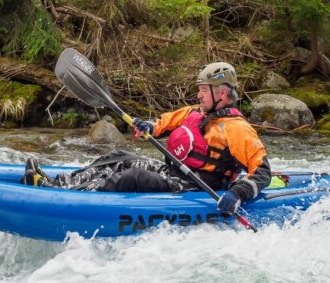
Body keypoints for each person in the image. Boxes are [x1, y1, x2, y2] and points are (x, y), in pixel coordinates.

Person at [22, 62, 271, 215]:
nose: (198, 95)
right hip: (173, 173)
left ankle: (64, 198)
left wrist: (237, 194)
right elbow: (164, 122)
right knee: (120, 157)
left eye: (203, 90)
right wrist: (149, 126)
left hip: (196, 186)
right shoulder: (195, 112)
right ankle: (57, 183)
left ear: (223, 93)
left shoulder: (237, 128)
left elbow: (261, 171)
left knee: (133, 177)